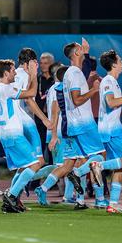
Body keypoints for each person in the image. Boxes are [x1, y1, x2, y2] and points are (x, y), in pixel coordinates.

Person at [88, 50, 122, 213]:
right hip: (112, 131)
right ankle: (99, 165)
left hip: (109, 130)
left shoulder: (112, 81)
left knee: (120, 167)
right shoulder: (108, 81)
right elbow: (111, 102)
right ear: (113, 64)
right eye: (119, 60)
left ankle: (112, 204)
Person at [60, 40, 108, 208]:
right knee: (100, 156)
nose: (82, 50)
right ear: (76, 53)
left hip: (75, 123)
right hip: (83, 123)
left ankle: (84, 199)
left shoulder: (73, 72)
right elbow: (77, 99)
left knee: (84, 159)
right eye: (80, 49)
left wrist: (86, 52)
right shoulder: (74, 73)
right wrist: (94, 90)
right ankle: (79, 174)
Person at [0, 58, 42, 213]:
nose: (15, 73)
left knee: (22, 167)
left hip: (6, 134)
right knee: (35, 164)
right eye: (13, 70)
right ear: (6, 73)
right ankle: (11, 195)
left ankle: (11, 201)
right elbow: (31, 93)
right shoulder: (6, 89)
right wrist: (33, 74)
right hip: (13, 134)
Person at [34, 65, 86, 208]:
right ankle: (29, 180)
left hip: (55, 130)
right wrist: (55, 135)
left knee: (66, 165)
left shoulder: (51, 88)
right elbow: (55, 109)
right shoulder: (61, 88)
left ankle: (67, 195)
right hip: (60, 132)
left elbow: (49, 109)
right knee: (66, 166)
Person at [36, 52, 55, 159]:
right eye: (41, 63)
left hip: (53, 118)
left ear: (52, 64)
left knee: (53, 144)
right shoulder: (36, 79)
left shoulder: (56, 79)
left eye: (46, 63)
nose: (43, 65)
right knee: (40, 144)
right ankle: (39, 170)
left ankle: (54, 169)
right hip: (40, 118)